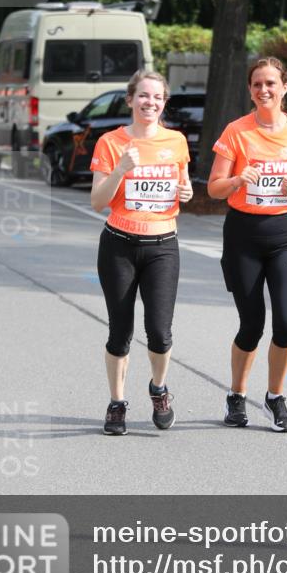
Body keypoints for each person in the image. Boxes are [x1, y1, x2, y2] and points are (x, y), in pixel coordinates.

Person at [207, 57, 287, 432]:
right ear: (250, 90)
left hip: (284, 235)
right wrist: (239, 179)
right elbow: (214, 187)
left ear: (285, 87)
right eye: (257, 84)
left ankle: (275, 397)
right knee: (252, 324)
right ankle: (237, 396)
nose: (264, 90)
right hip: (244, 235)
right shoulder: (236, 132)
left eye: (271, 83)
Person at [90, 70, 193, 435]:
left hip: (163, 246)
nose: (150, 103)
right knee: (120, 332)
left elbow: (183, 183)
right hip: (119, 245)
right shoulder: (110, 142)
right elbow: (98, 200)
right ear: (131, 99)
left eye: (157, 97)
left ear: (164, 102)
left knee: (160, 332)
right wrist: (120, 169)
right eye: (143, 96)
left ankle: (158, 388)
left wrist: (187, 193)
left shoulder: (176, 141)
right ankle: (117, 403)